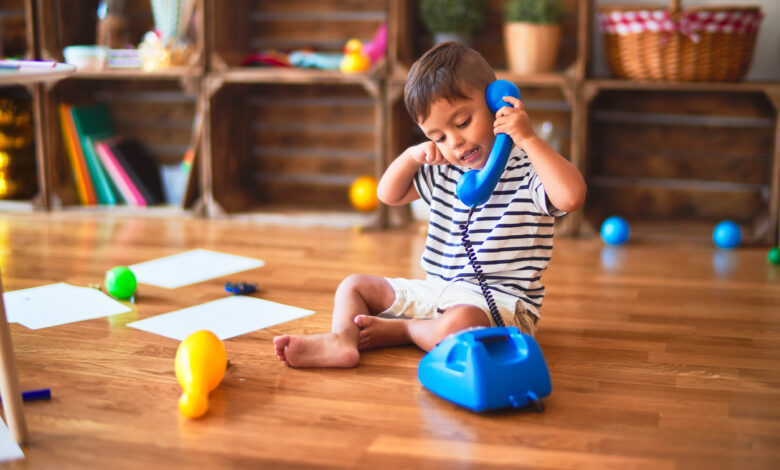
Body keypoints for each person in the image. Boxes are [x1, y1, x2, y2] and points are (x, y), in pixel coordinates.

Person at [274, 42, 586, 368]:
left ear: (498, 103)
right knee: (353, 286)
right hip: (435, 289)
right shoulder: (445, 170)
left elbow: (571, 196)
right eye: (438, 136)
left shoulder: (529, 168)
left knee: (461, 324)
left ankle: (407, 330)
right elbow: (388, 194)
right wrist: (411, 156)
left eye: (463, 122)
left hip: (496, 305)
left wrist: (529, 139)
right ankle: (341, 339)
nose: (454, 143)